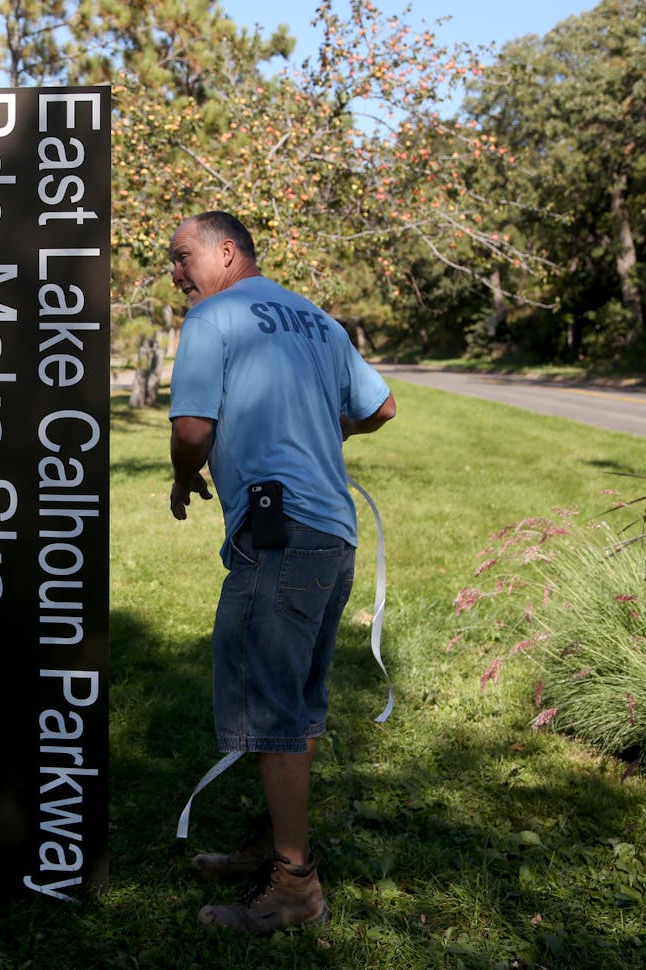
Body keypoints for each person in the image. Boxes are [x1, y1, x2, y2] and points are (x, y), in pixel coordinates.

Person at [165, 211, 396, 934]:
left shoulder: (213, 318)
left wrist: (181, 479)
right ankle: (275, 844)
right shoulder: (317, 320)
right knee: (296, 707)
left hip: (281, 538)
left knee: (268, 711)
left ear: (226, 253)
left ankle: (295, 886)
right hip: (332, 535)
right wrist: (321, 432)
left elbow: (193, 430)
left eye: (181, 258)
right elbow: (382, 405)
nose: (175, 273)